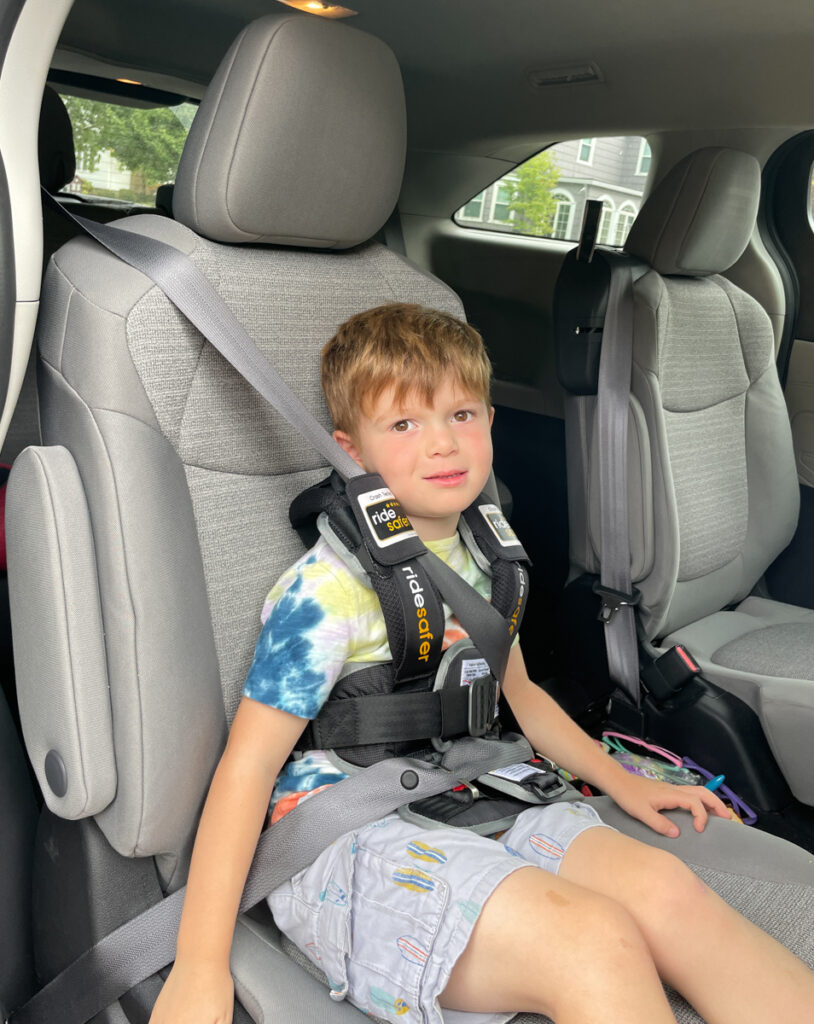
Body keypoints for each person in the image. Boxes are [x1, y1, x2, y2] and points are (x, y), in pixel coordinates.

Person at [150, 303, 814, 1024]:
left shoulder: (485, 559)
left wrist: (624, 782)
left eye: (461, 415)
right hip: (344, 837)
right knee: (594, 940)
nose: (442, 444)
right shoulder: (325, 593)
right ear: (351, 450)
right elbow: (245, 769)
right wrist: (200, 964)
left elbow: (520, 696)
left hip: (477, 794)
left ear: (491, 422)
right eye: (404, 425)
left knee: (668, 892)